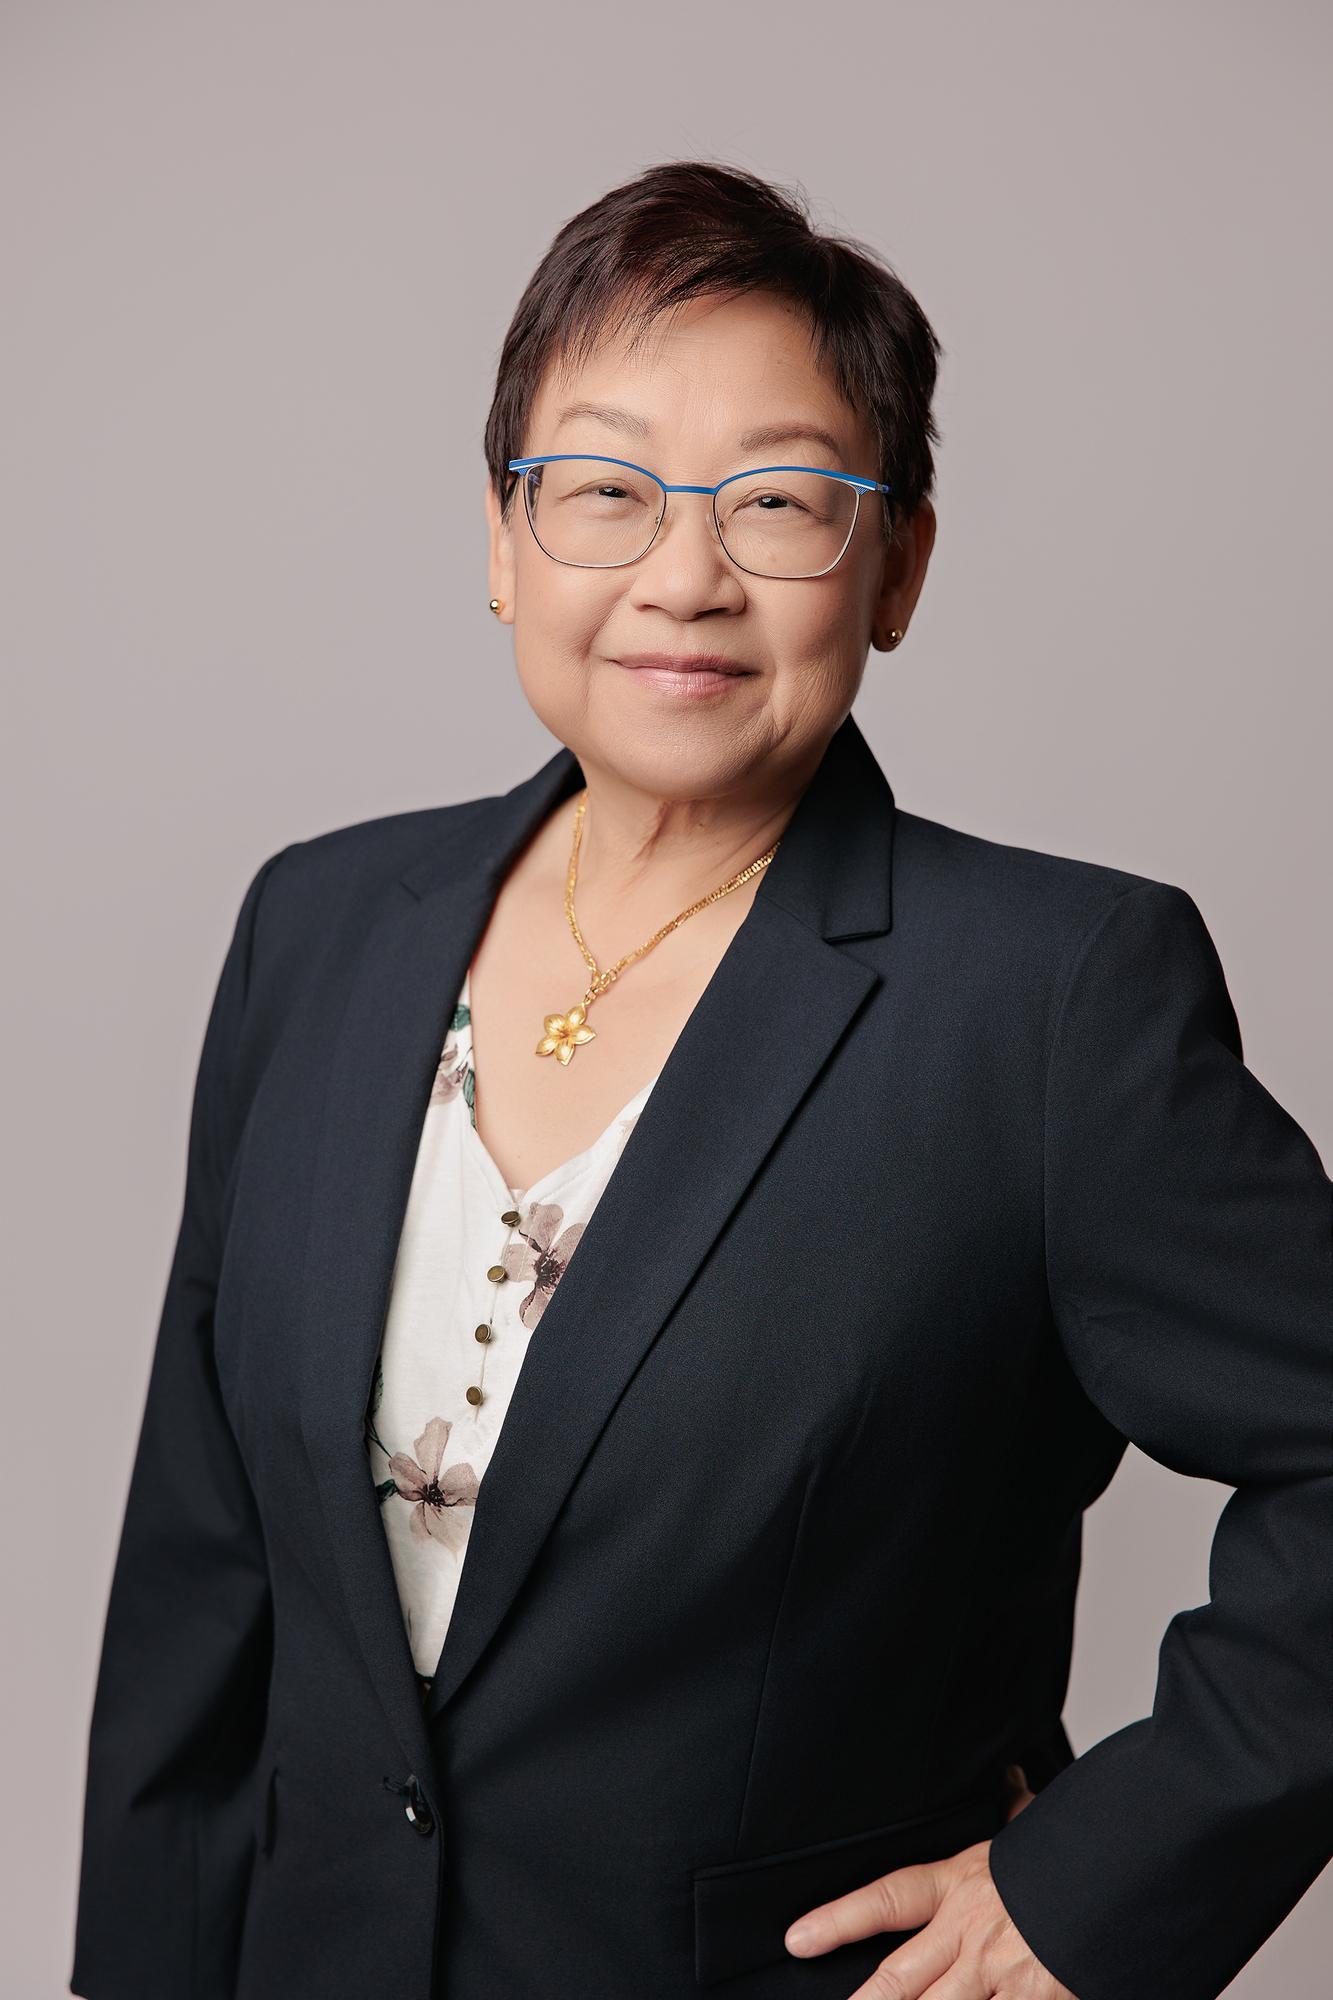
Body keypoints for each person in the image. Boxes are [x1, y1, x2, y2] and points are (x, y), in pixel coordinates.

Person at [70, 159, 1331, 2000]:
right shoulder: (322, 927)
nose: (683, 573)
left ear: (895, 565)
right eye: (601, 490)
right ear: (502, 540)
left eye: (779, 503)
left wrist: (1088, 1894)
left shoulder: (1050, 997)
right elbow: (205, 1587)